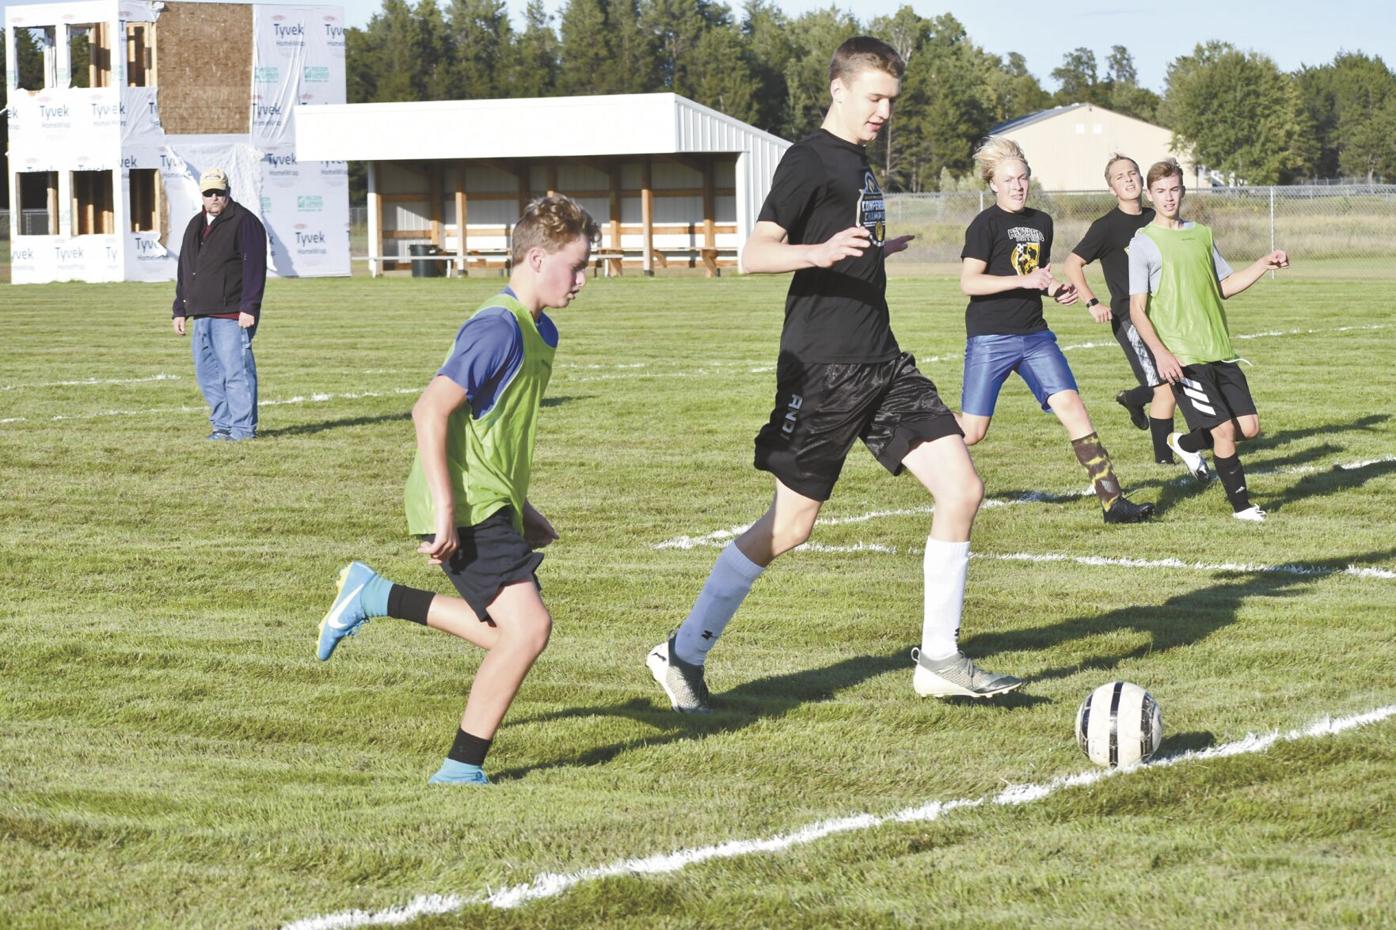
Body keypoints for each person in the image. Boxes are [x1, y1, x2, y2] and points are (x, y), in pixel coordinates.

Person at [647, 36, 1023, 715]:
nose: (885, 112)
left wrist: (876, 251)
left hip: (883, 361)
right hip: (824, 369)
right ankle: (683, 651)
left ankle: (940, 660)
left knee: (962, 487)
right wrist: (818, 251)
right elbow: (755, 253)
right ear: (839, 89)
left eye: (892, 101)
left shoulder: (858, 164)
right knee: (791, 526)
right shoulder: (809, 158)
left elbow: (846, 243)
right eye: (875, 98)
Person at [315, 195, 600, 785]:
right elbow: (429, 410)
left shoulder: (539, 329)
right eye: (575, 267)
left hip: (487, 501)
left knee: (508, 634)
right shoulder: (498, 328)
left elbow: (491, 431)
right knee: (528, 630)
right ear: (537, 259)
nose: (582, 281)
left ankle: (374, 596)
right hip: (464, 506)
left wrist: (522, 507)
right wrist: (446, 510)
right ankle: (460, 769)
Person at [957, 138, 1154, 525]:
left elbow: (1035, 275)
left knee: (1073, 408)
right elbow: (970, 282)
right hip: (991, 336)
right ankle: (916, 432)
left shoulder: (1041, 222)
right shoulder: (985, 224)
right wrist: (1024, 281)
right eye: (1009, 180)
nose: (1018, 186)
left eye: (1022, 178)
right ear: (993, 184)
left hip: (1035, 336)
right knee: (973, 431)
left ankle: (1113, 502)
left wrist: (1053, 289)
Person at [1128, 159, 1288, 522]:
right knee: (1224, 430)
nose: (1168, 197)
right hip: (1183, 356)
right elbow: (1137, 310)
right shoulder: (1143, 244)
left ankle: (1184, 443)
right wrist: (1161, 354)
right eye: (1161, 191)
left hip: (1219, 349)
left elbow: (1223, 287)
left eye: (1174, 189)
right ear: (1150, 195)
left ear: (1183, 190)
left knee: (1250, 428)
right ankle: (1243, 508)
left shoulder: (1201, 234)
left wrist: (1262, 264)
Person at [1062, 154, 1178, 464]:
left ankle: (1133, 398)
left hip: (1164, 314)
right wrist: (1092, 302)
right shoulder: (1106, 227)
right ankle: (1164, 461)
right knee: (1164, 388)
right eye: (1119, 176)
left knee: (1174, 378)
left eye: (1132, 173)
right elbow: (1072, 264)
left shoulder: (1156, 218)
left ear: (1142, 180)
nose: (1128, 179)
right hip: (1130, 317)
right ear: (1112, 188)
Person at [171, 167, 267, 441]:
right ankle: (222, 427)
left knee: (237, 374)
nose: (214, 197)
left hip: (232, 314)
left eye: (219, 192)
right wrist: (180, 309)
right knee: (208, 375)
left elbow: (255, 268)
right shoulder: (195, 224)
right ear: (201, 195)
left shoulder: (245, 221)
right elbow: (185, 269)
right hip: (201, 312)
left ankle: (242, 429)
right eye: (208, 193)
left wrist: (249, 307)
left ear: (228, 192)